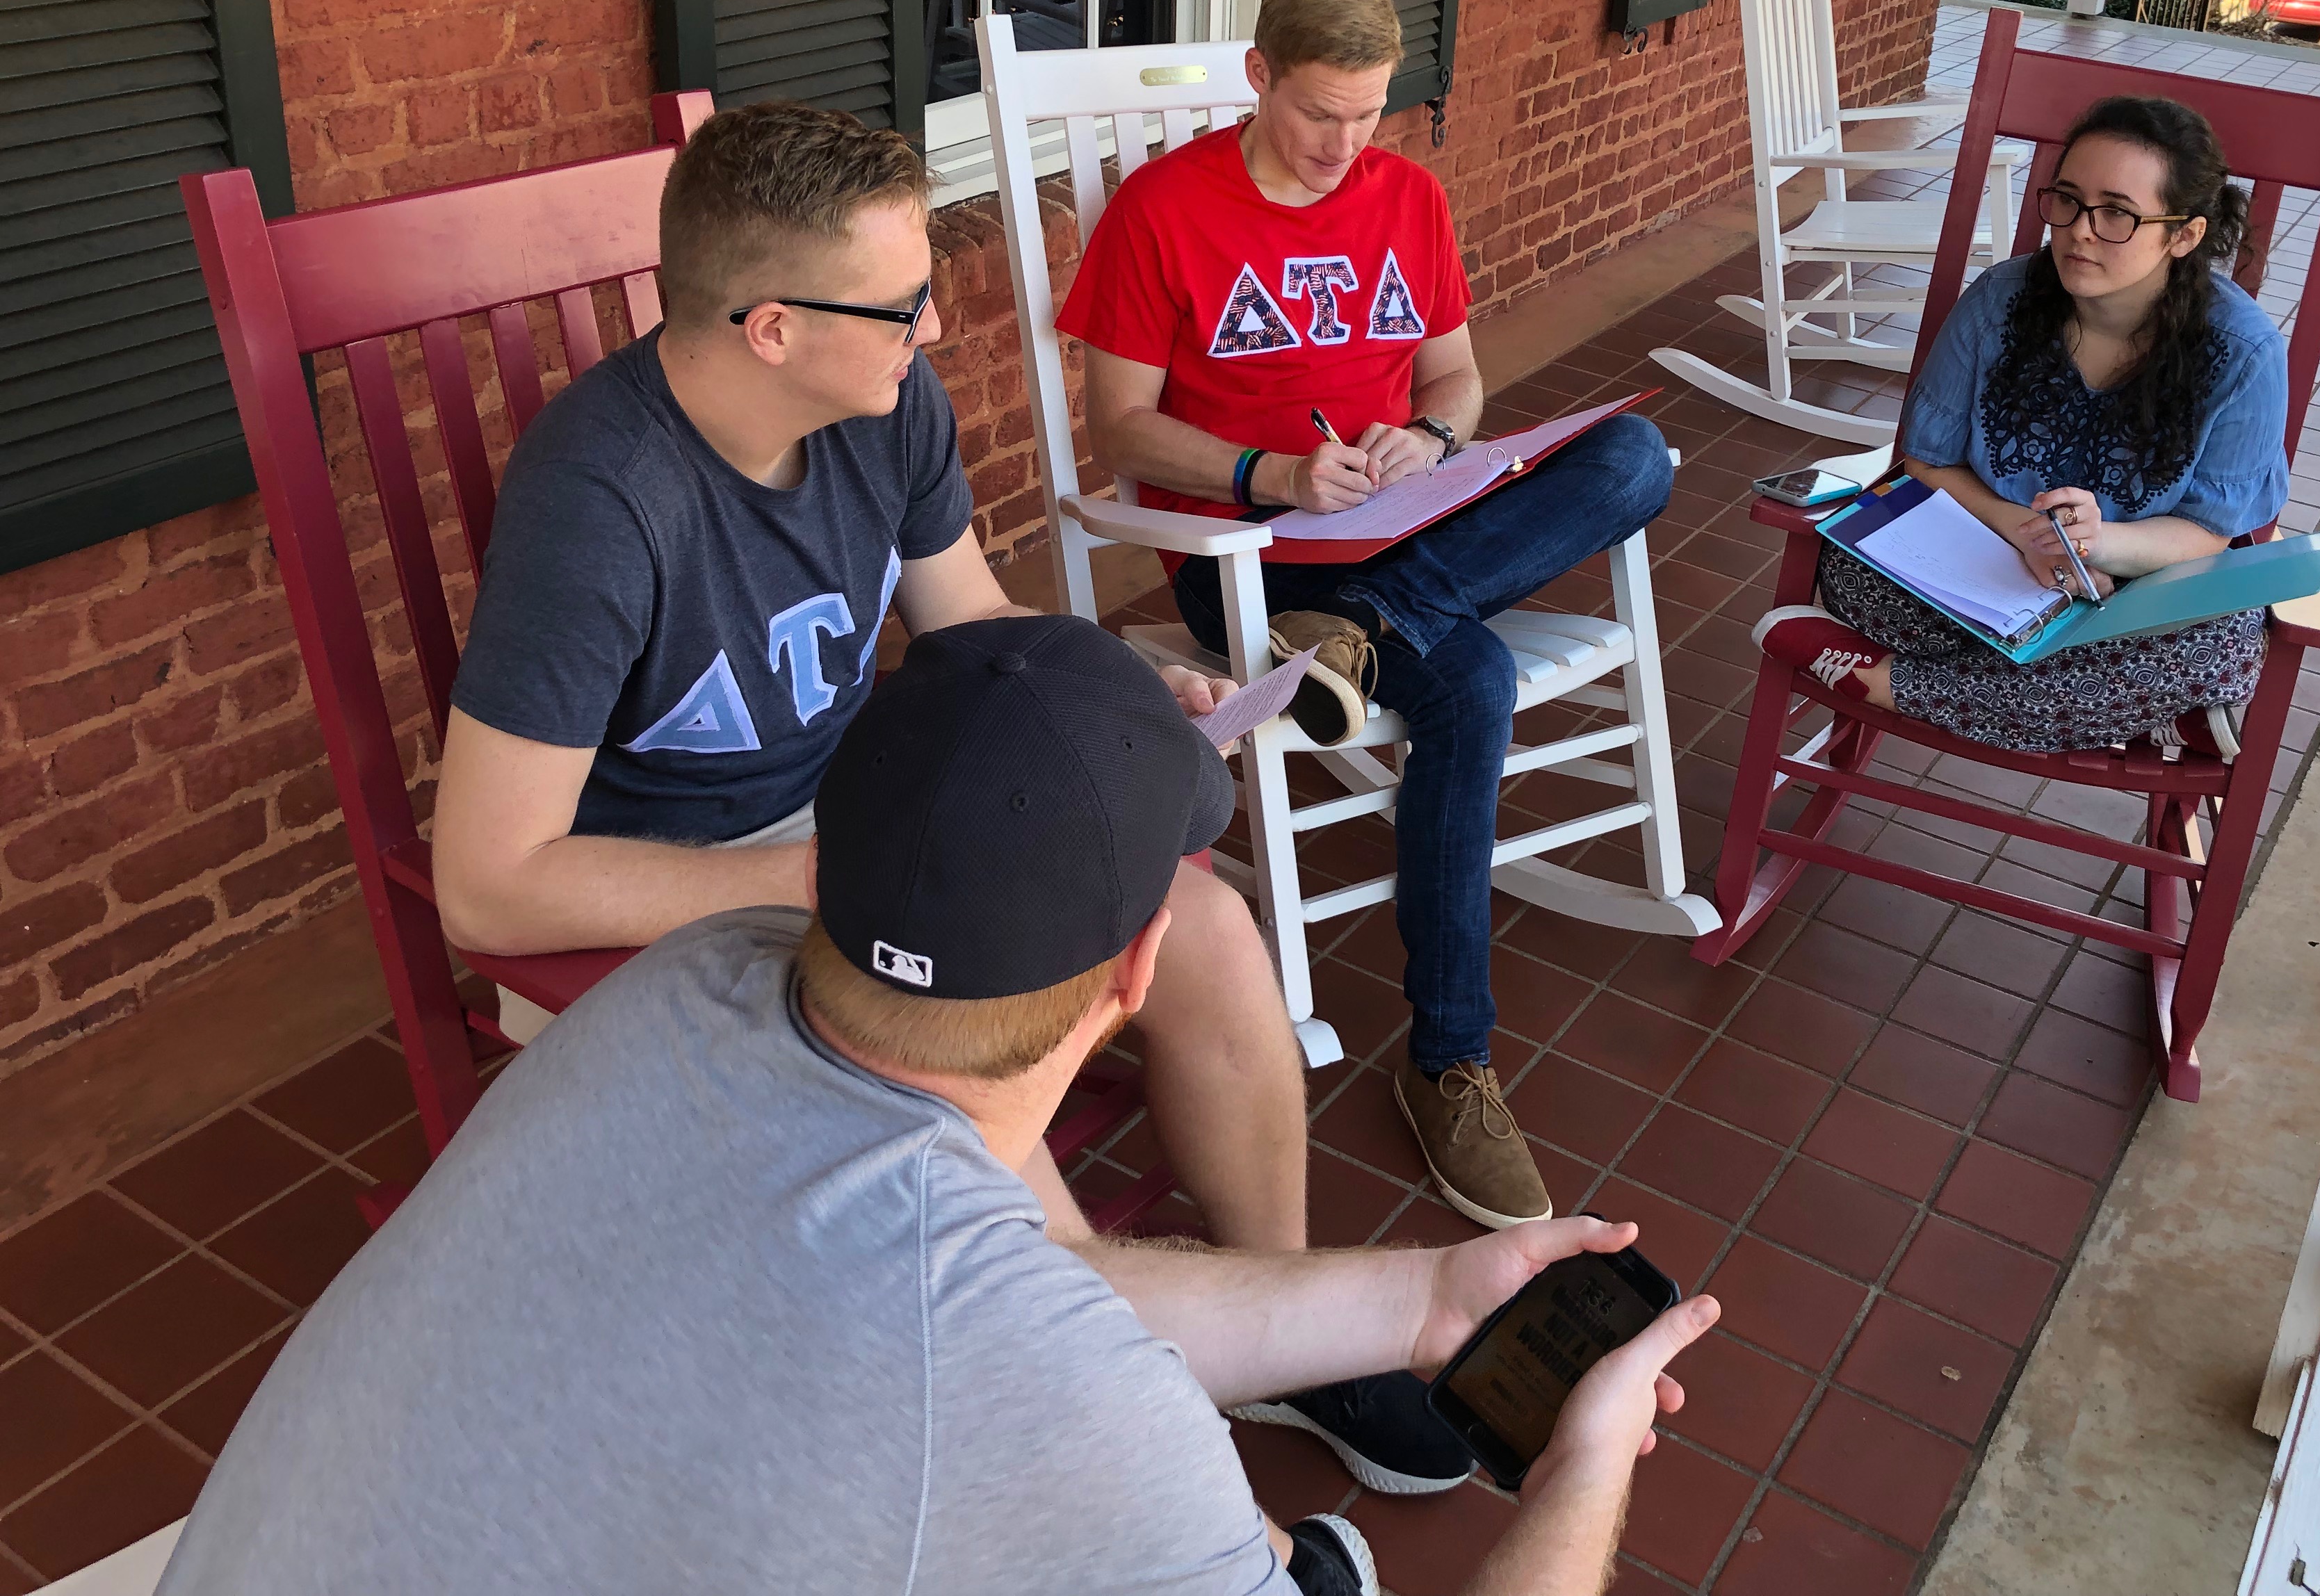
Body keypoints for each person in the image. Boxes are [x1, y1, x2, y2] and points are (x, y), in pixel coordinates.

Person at [155, 617, 1720, 1596]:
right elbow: (1015, 1340)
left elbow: (1049, 1293)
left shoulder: (694, 978)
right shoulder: (1055, 1403)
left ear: (829, 861)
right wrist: (1581, 1472)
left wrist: (1427, 1301)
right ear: (1143, 969)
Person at [430, 102, 1452, 1487]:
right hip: (671, 889)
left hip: (862, 819)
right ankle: (1117, 1429)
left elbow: (966, 616)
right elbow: (489, 879)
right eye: (900, 304)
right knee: (974, 1111)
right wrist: (817, 884)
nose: (932, 330)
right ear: (770, 327)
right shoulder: (601, 504)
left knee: (1207, 931)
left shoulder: (883, 406)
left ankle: (1283, 1339)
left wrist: (1120, 695)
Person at [1055, 0, 1675, 1235]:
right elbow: (1119, 425)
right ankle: (1452, 1054)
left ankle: (1371, 630)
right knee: (1479, 682)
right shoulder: (1164, 211)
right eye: (1320, 111)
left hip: (1396, 533)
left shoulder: (1408, 196)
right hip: (1249, 547)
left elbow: (1453, 377)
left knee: (1635, 456)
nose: (1347, 142)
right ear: (1259, 76)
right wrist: (1269, 470)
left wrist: (1434, 443)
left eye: (1370, 111)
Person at [1758, 93, 2289, 753]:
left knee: (2227, 642)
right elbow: (1928, 461)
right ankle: (2121, 708)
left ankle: (1889, 684)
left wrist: (2097, 549)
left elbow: (2211, 531)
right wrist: (2030, 536)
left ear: (2183, 235)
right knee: (1853, 571)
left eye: (2118, 213)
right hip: (1979, 559)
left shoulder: (2243, 352)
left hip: (2128, 594)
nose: (2079, 230)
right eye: (2066, 199)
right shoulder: (1999, 303)